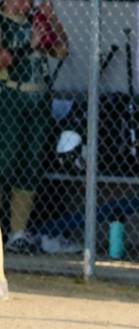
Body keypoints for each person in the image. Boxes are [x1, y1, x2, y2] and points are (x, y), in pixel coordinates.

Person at [1, 0, 76, 255]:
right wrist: (29, 44)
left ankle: (18, 232)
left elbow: (62, 50)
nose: (26, 3)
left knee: (29, 166)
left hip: (39, 99)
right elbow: (4, 59)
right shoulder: (3, 22)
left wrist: (51, 19)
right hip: (12, 98)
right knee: (6, 162)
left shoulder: (37, 21)